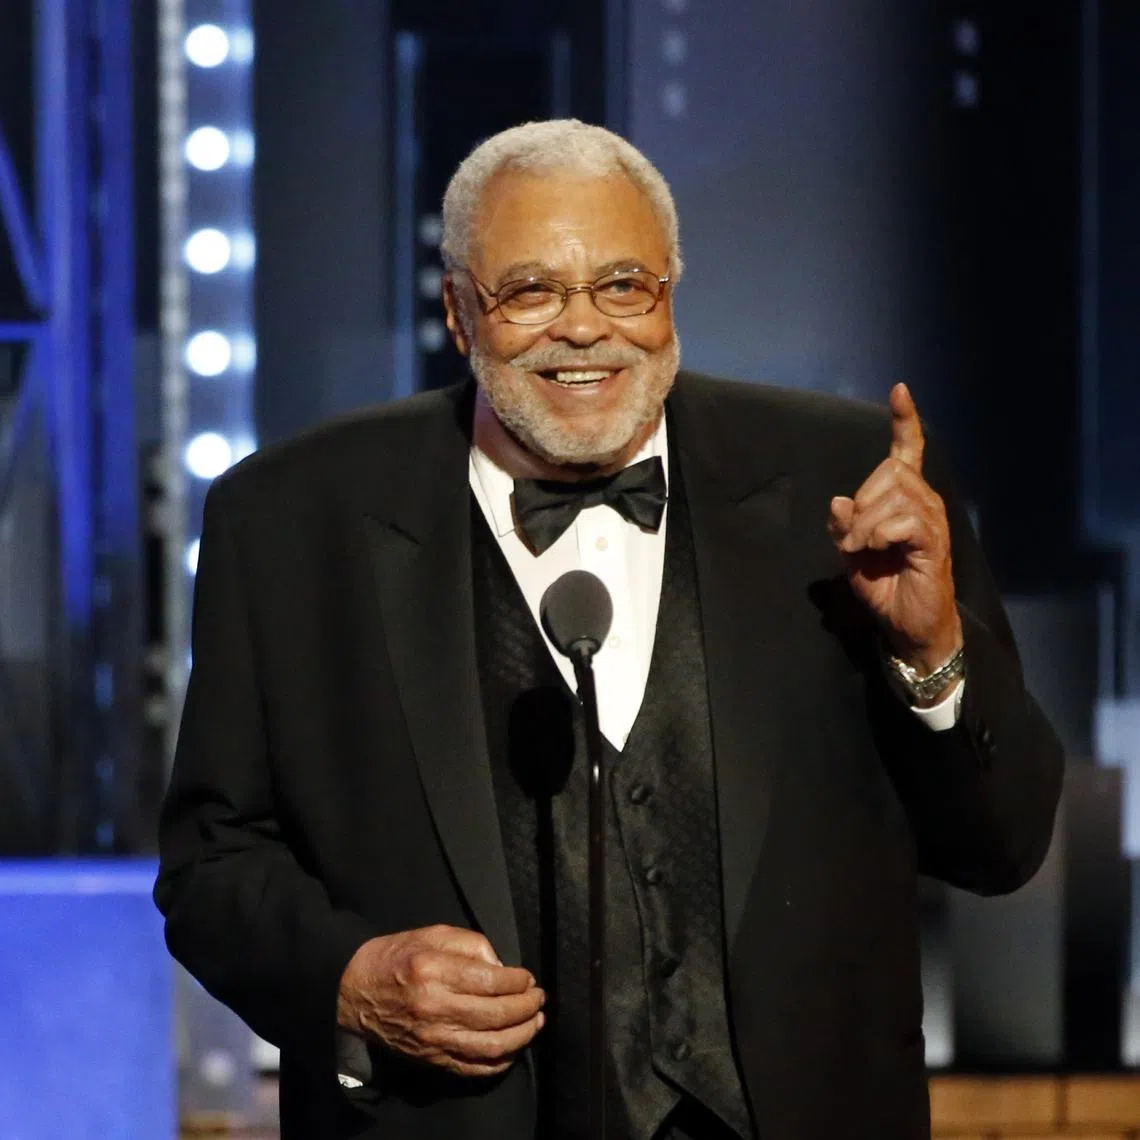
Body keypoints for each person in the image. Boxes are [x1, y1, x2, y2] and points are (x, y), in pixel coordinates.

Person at [154, 119, 1063, 1140]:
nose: (583, 329)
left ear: (672, 292)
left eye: (624, 285)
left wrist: (932, 654)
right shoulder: (288, 519)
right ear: (459, 313)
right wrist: (353, 983)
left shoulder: (850, 481)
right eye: (530, 291)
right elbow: (213, 866)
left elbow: (1005, 844)